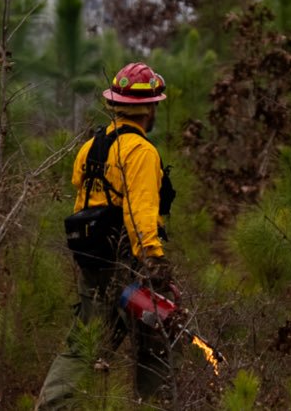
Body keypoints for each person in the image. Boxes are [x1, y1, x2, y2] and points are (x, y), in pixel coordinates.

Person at [38, 62, 178, 409]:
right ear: (150, 107)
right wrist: (155, 264)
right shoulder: (142, 152)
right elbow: (141, 213)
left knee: (83, 344)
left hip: (93, 264)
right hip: (129, 266)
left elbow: (81, 195)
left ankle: (51, 405)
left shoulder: (92, 147)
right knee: (157, 347)